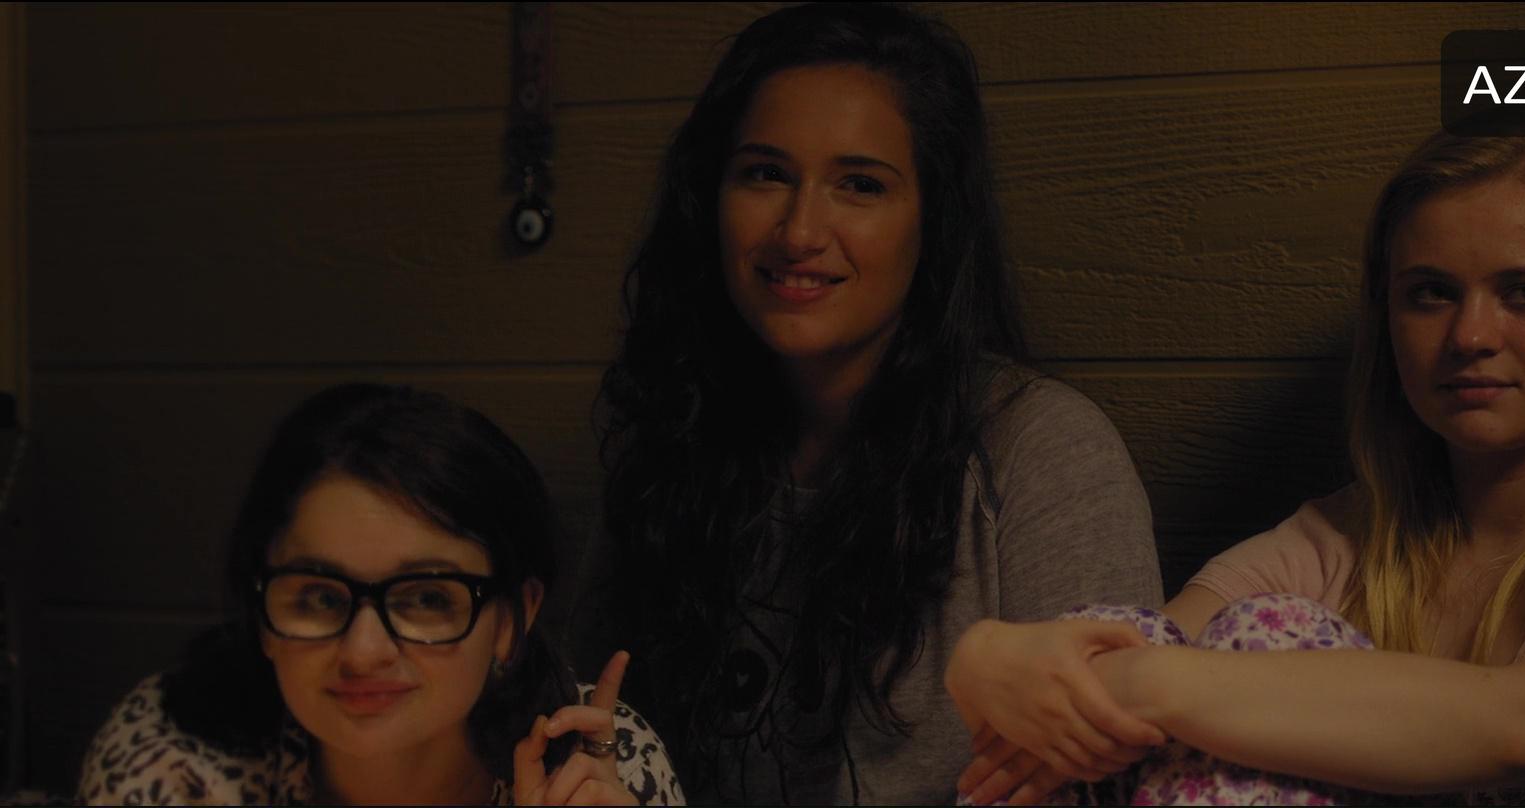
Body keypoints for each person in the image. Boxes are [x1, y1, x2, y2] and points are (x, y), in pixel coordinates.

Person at [946, 133, 1525, 805]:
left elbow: (1521, 726)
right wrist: (988, 656)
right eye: (1431, 293)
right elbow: (1131, 651)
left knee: (1251, 644)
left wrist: (1150, 686)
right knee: (1134, 647)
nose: (1470, 334)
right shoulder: (1338, 542)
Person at [585, 3, 1163, 804]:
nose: (799, 231)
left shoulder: (1041, 452)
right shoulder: (672, 436)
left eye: (859, 185)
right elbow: (598, 729)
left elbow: (1114, 783)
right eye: (765, 174)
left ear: (934, 220)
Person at [76, 384, 683, 805]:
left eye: (427, 599)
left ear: (513, 618)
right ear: (260, 612)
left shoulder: (601, 768)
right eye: (319, 598)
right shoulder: (172, 765)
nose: (363, 652)